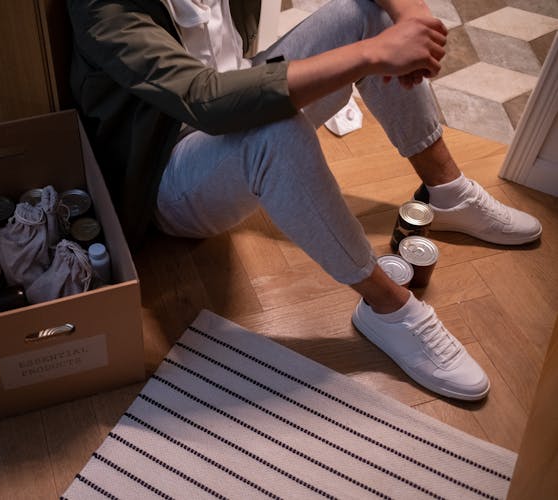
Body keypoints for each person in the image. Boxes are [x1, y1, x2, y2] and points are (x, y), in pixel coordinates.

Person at [66, 0, 542, 401]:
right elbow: (203, 100)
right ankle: (387, 308)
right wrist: (373, 56)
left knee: (364, 14)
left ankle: (449, 194)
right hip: (167, 174)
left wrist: (412, 19)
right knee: (276, 128)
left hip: (236, 92)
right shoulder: (101, 5)